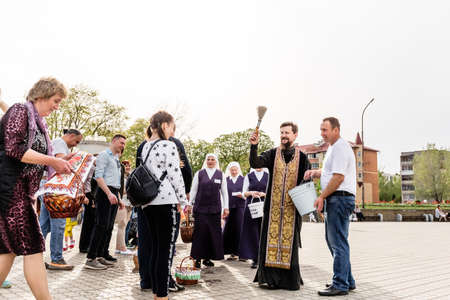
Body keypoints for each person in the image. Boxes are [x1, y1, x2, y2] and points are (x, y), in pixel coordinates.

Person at [0, 77, 72, 300]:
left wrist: (59, 162)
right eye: (56, 100)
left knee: (8, 250)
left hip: (21, 193)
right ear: (42, 95)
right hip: (11, 191)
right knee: (32, 246)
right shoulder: (20, 110)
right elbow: (13, 148)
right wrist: (52, 162)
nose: (57, 106)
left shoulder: (37, 122)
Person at [249, 121, 311, 290]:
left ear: (295, 135)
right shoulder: (272, 154)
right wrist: (254, 146)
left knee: (289, 245)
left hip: (292, 211)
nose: (283, 136)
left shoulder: (304, 158)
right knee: (269, 243)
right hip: (272, 210)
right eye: (281, 132)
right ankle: (269, 279)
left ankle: (288, 281)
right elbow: (255, 163)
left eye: (287, 133)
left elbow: (307, 185)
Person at [136, 122, 193, 293]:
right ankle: (162, 290)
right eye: (171, 127)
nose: (172, 131)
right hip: (165, 200)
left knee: (150, 245)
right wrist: (184, 200)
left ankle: (147, 281)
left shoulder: (144, 146)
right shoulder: (171, 144)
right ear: (164, 125)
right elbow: (177, 173)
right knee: (165, 251)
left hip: (146, 201)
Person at [304, 117, 356, 296]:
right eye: (321, 130)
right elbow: (329, 173)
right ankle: (347, 280)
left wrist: (321, 196)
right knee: (335, 240)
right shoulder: (333, 148)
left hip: (339, 198)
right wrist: (315, 172)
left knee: (337, 242)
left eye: (325, 130)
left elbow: (338, 177)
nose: (322, 133)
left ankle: (340, 284)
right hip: (338, 199)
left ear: (336, 129)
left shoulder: (340, 147)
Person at [39, 128, 82, 270]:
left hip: (49, 186)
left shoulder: (57, 143)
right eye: (76, 141)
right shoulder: (59, 143)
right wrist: (74, 157)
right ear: (70, 135)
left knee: (44, 224)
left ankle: (35, 256)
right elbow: (59, 162)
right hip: (55, 187)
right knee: (59, 222)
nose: (75, 145)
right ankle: (56, 259)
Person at [85, 134, 126, 270]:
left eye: (124, 144)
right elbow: (98, 177)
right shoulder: (104, 155)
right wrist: (108, 193)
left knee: (109, 226)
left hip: (114, 192)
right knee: (101, 225)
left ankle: (103, 254)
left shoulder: (115, 158)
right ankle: (91, 258)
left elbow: (115, 181)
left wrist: (118, 198)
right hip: (104, 193)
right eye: (121, 143)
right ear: (113, 141)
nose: (123, 146)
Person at [188, 153, 229, 268]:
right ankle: (197, 259)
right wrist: (189, 204)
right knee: (200, 234)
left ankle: (208, 258)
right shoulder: (199, 174)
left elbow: (225, 192)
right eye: (208, 159)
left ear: (216, 162)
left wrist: (226, 207)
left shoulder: (221, 174)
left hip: (215, 210)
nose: (210, 161)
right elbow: (193, 190)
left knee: (212, 234)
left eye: (212, 159)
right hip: (200, 209)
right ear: (206, 161)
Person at [239, 168, 269, 269]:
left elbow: (273, 191)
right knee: (252, 232)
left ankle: (264, 257)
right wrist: (251, 193)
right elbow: (244, 193)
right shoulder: (249, 176)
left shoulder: (268, 175)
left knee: (264, 231)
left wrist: (264, 194)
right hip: (251, 206)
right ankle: (255, 258)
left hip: (265, 205)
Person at [223, 162, 245, 261]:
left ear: (238, 170)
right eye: (232, 170)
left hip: (240, 207)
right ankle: (232, 253)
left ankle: (242, 253)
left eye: (235, 170)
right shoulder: (226, 180)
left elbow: (247, 192)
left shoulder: (243, 180)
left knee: (240, 229)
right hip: (229, 208)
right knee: (230, 229)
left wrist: (243, 195)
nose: (234, 171)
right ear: (229, 170)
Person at [115, 160, 134, 255]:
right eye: (125, 165)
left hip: (130, 204)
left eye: (129, 165)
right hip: (123, 203)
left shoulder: (129, 177)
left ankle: (120, 247)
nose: (128, 167)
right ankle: (121, 248)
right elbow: (120, 191)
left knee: (124, 225)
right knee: (121, 225)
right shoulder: (120, 177)